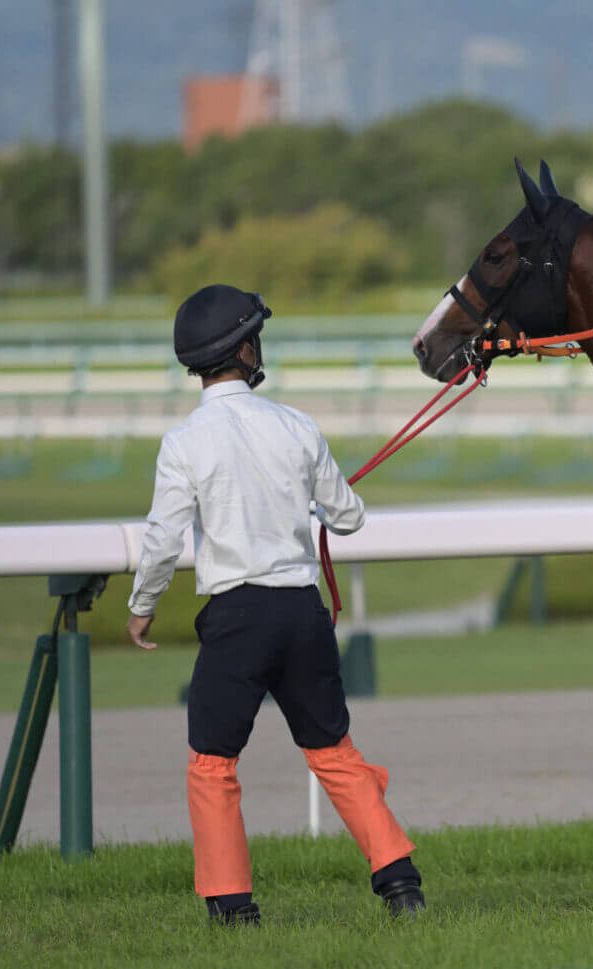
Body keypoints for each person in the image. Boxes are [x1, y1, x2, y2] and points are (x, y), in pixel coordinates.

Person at [126, 284, 424, 924]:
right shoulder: (296, 425)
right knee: (335, 753)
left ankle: (232, 908)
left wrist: (142, 605)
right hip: (300, 613)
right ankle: (402, 885)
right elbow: (348, 517)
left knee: (212, 764)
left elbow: (162, 540)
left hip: (236, 618)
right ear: (245, 348)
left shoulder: (182, 442)